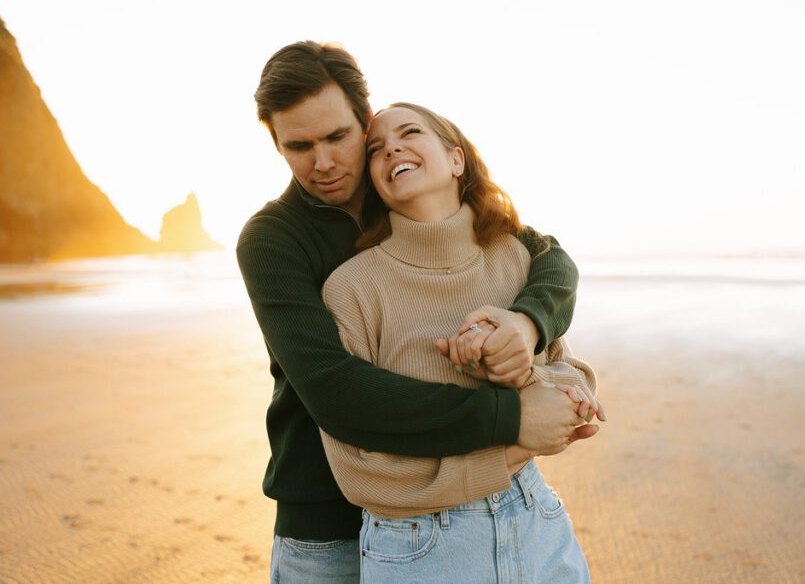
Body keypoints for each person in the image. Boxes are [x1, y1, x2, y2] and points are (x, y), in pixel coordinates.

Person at [237, 41, 598, 583]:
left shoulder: (405, 186)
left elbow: (547, 258)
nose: (325, 162)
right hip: (326, 524)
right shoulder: (272, 240)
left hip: (481, 502)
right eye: (299, 146)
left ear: (366, 120)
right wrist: (515, 420)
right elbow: (336, 390)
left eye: (337, 137)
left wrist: (526, 324)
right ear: (276, 145)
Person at [320, 102, 598, 582]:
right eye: (376, 149)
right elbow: (356, 469)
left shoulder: (513, 256)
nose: (393, 149)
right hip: (420, 544)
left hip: (537, 519)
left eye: (409, 132)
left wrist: (516, 365)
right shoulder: (352, 288)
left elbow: (571, 382)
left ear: (456, 159)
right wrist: (512, 444)